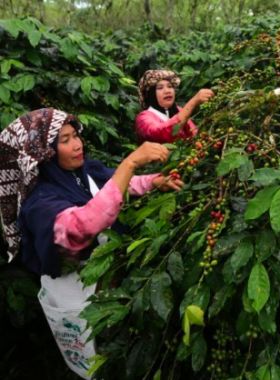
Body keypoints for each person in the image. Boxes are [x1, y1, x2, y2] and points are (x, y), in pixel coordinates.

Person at [0, 108, 183, 378]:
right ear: (43, 152)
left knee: (119, 349)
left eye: (76, 136)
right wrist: (130, 162)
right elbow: (82, 226)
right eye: (65, 140)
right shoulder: (39, 202)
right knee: (94, 359)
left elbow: (118, 185)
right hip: (78, 295)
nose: (77, 145)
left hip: (108, 284)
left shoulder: (83, 171)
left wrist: (155, 181)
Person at [135, 69, 215, 143]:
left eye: (170, 86)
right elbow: (161, 133)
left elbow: (194, 135)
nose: (167, 91)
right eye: (160, 88)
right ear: (151, 95)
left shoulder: (178, 110)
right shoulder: (143, 118)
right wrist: (193, 102)